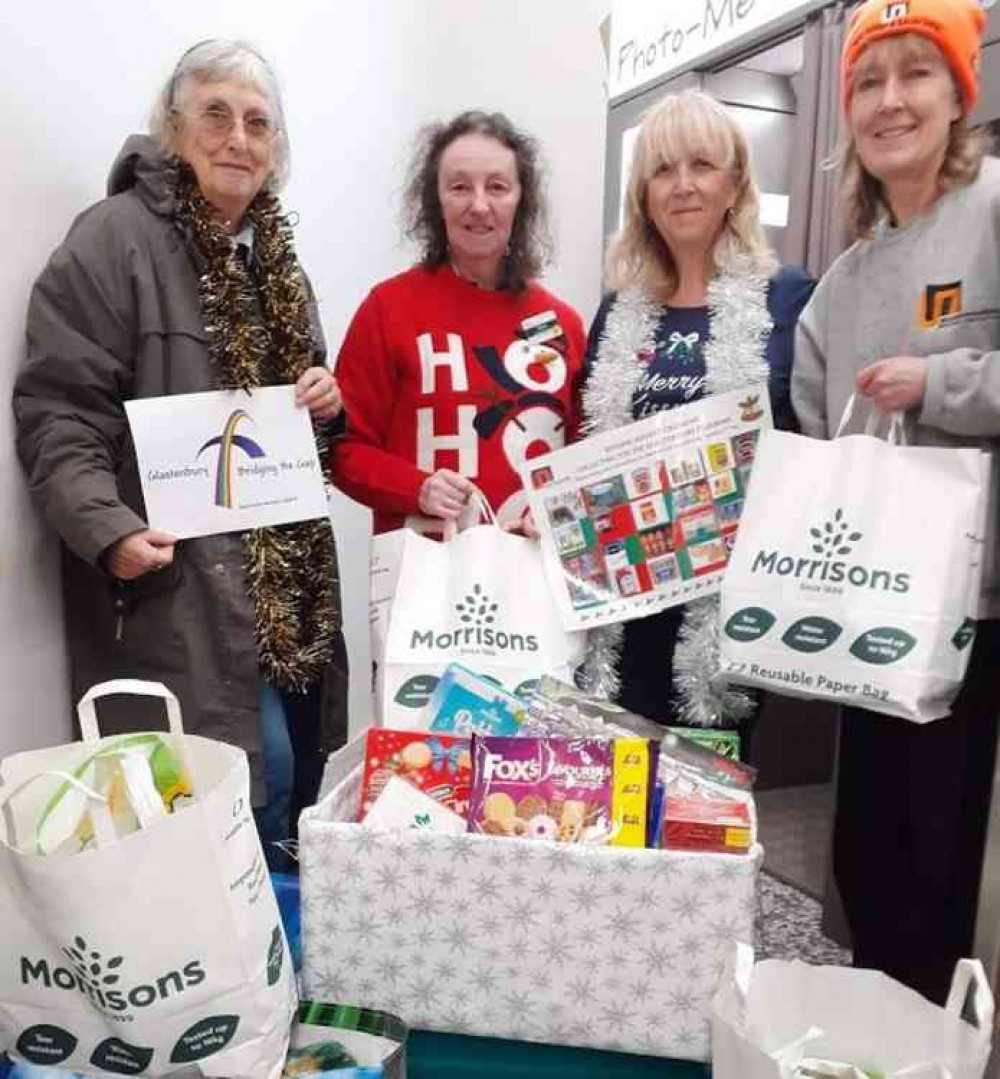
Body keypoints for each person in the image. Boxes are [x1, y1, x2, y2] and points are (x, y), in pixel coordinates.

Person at [13, 40, 348, 868]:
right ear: (172, 127)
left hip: (292, 603)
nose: (239, 138)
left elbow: (310, 438)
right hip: (180, 596)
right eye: (217, 115)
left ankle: (278, 983)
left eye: (258, 123)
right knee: (221, 813)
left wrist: (324, 403)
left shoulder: (279, 264)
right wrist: (106, 529)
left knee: (297, 784)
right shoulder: (111, 242)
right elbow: (59, 411)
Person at [792, 0, 1000, 1003]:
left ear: (959, 93)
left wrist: (942, 385)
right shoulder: (843, 279)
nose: (889, 101)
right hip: (867, 610)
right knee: (868, 857)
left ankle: (937, 1046)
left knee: (945, 869)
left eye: (916, 74)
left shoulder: (997, 211)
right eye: (869, 82)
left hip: (977, 617)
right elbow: (807, 429)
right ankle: (875, 1035)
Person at [580, 89, 814, 738]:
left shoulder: (788, 298)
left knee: (706, 812)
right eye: (662, 169)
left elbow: (809, 444)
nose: (682, 185)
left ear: (736, 181)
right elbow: (591, 451)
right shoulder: (617, 310)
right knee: (615, 812)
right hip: (624, 611)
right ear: (643, 193)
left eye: (702, 165)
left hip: (724, 615)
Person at [330, 110, 587, 535]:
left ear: (522, 200)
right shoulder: (387, 308)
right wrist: (417, 488)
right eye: (460, 187)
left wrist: (551, 514)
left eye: (498, 187)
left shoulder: (562, 323)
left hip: (534, 579)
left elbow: (585, 459)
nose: (479, 204)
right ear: (437, 201)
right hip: (424, 580)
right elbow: (343, 449)